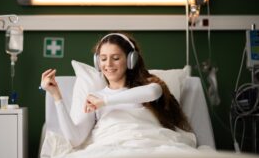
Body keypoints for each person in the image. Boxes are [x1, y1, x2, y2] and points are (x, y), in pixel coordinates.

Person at [40, 32, 193, 149]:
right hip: (110, 149)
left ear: (131, 59)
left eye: (116, 58)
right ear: (97, 62)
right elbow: (75, 139)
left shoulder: (146, 88)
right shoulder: (95, 97)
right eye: (103, 58)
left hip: (149, 146)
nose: (108, 64)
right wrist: (56, 96)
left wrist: (105, 101)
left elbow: (153, 92)